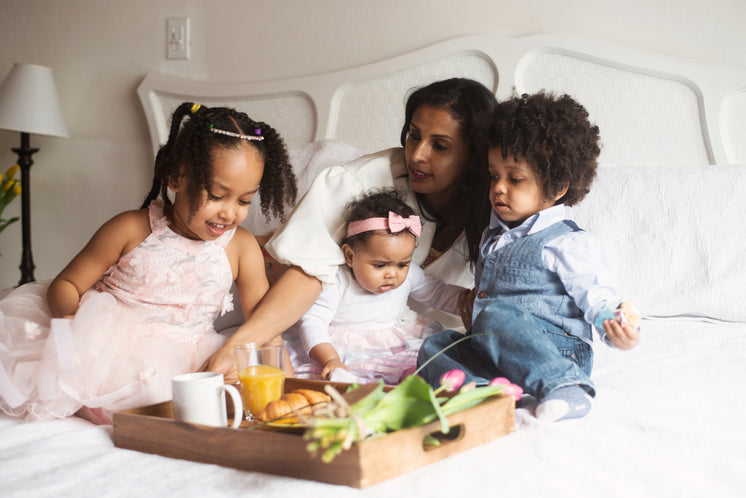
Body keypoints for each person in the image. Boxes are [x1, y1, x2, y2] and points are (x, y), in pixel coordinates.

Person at [0, 103, 297, 424]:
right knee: (140, 406)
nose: (229, 213)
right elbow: (66, 284)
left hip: (189, 358)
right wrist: (74, 327)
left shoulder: (242, 247)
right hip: (110, 351)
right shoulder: (130, 228)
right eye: (216, 195)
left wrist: (293, 389)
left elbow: (267, 328)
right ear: (176, 177)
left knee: (225, 398)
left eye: (243, 201)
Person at [201, 78, 498, 379]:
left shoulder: (499, 203)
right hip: (270, 296)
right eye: (413, 135)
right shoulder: (360, 183)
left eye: (440, 146)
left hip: (402, 335)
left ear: (474, 156)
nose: (417, 155)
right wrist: (242, 344)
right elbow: (308, 273)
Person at [416, 91, 641, 422]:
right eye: (494, 176)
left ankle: (569, 387)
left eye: (515, 178)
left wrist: (614, 327)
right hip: (495, 350)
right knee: (436, 343)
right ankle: (481, 391)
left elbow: (596, 295)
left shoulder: (566, 243)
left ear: (556, 186)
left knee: (495, 317)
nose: (498, 188)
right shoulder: (494, 236)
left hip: (554, 352)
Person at [286, 188, 469, 385]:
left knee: (427, 363)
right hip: (348, 351)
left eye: (403, 264)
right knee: (345, 380)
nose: (392, 273)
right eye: (380, 265)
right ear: (350, 256)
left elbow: (437, 293)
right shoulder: (337, 281)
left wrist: (472, 302)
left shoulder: (409, 275)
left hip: (399, 343)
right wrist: (331, 359)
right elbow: (313, 322)